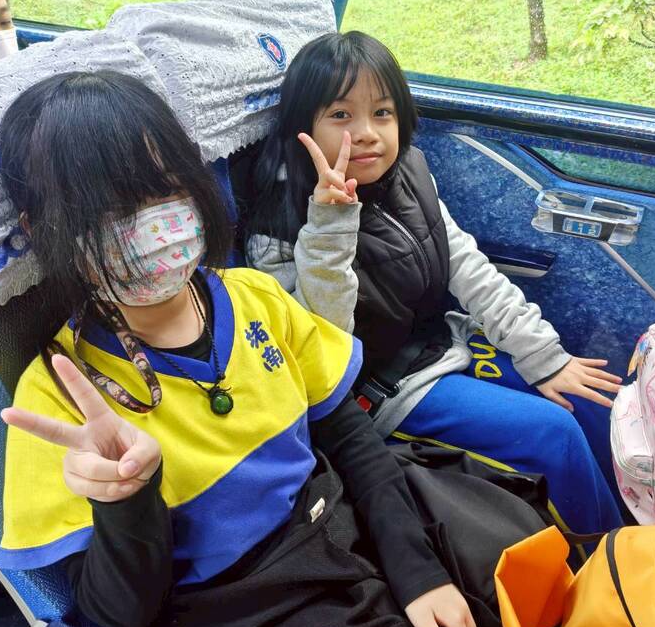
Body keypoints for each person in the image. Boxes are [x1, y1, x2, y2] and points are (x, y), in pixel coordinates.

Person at [0, 70, 549, 627]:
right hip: (255, 614)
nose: (150, 225)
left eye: (164, 188)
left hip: (341, 522)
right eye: (109, 210)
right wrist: (127, 501)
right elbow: (118, 619)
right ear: (38, 230)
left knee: (530, 561)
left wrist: (418, 574)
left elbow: (350, 438)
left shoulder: (254, 297)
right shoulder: (58, 397)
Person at [244, 31, 624, 534]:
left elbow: (470, 269)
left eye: (382, 112)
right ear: (302, 128)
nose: (366, 133)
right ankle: (606, 558)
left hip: (440, 344)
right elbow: (325, 351)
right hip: (380, 392)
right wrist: (329, 226)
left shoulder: (409, 175)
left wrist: (544, 357)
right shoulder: (275, 231)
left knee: (591, 401)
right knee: (552, 432)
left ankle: (643, 539)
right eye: (340, 115)